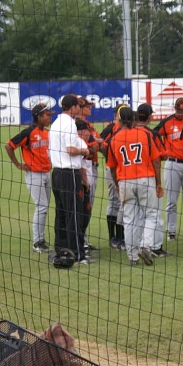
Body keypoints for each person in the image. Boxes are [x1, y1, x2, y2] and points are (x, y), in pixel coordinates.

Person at [106, 107, 164, 266]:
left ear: (119, 120)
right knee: (151, 214)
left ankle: (132, 257)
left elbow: (112, 167)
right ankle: (146, 244)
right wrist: (158, 183)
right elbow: (156, 160)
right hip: (145, 179)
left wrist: (117, 185)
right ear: (133, 120)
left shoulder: (114, 139)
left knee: (129, 220)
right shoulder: (145, 135)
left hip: (125, 181)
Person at [4, 103, 54, 253]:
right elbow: (9, 146)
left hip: (47, 173)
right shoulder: (28, 132)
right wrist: (18, 164)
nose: (49, 118)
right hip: (34, 175)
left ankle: (40, 240)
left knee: (44, 207)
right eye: (47, 115)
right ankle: (37, 242)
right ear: (39, 117)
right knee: (42, 206)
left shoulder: (47, 132)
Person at [48, 94, 90, 266]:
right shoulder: (70, 123)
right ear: (72, 107)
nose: (80, 108)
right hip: (69, 173)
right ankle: (78, 254)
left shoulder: (55, 123)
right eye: (78, 105)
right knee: (74, 213)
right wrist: (84, 151)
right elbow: (71, 150)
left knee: (61, 213)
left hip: (56, 173)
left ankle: (62, 250)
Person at [153, 98, 183, 242]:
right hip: (172, 164)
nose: (181, 113)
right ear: (175, 109)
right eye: (179, 111)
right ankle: (171, 231)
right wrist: (163, 150)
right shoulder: (167, 122)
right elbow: (154, 134)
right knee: (171, 201)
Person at [136, 102, 169, 258]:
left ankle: (135, 247)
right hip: (148, 178)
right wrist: (159, 183)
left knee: (136, 215)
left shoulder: (127, 132)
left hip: (128, 179)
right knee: (154, 213)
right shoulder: (152, 134)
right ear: (149, 117)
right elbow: (162, 156)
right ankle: (155, 247)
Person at [101, 105, 130, 251]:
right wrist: (109, 157)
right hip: (112, 169)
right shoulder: (110, 128)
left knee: (123, 202)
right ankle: (113, 237)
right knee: (114, 201)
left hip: (124, 170)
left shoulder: (129, 129)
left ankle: (122, 236)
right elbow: (101, 145)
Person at [76, 96, 101, 253]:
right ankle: (80, 241)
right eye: (87, 106)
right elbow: (94, 147)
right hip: (84, 167)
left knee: (87, 205)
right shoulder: (79, 126)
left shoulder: (87, 125)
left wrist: (97, 142)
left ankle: (82, 239)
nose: (90, 108)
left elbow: (97, 145)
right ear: (79, 108)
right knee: (83, 205)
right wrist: (97, 142)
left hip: (91, 166)